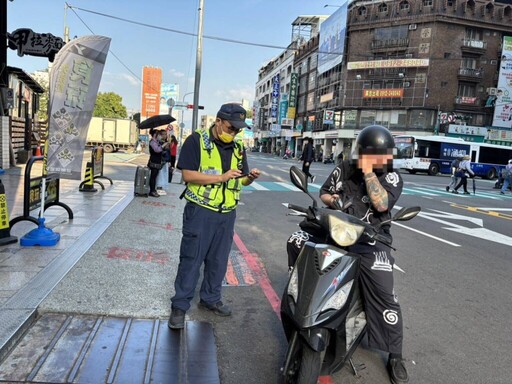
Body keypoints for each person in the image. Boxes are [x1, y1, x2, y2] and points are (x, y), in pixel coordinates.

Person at [286, 125, 409, 384]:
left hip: (371, 239)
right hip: (337, 230)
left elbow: (381, 204)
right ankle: (301, 298)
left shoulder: (392, 177)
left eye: (384, 156)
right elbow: (324, 192)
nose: (383, 160)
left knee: (384, 291)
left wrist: (368, 173)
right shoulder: (343, 168)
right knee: (296, 241)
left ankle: (395, 353)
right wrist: (332, 200)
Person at [168, 103, 261, 330]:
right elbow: (188, 175)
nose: (234, 133)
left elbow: (238, 179)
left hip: (227, 213)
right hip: (200, 211)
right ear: (218, 121)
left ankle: (210, 299)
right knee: (191, 259)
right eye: (231, 128)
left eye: (238, 130)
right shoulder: (196, 141)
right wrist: (221, 177)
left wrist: (250, 179)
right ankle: (180, 306)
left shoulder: (239, 147)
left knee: (218, 261)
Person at [147, 128, 169, 197]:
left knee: (155, 176)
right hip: (154, 162)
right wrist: (163, 145)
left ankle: (153, 190)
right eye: (158, 134)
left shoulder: (156, 141)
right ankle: (152, 191)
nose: (159, 135)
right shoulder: (152, 142)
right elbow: (157, 150)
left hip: (157, 161)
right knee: (153, 177)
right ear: (154, 135)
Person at [156, 129, 170, 195]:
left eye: (165, 134)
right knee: (160, 173)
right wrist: (165, 146)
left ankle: (162, 186)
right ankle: (159, 186)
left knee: (164, 173)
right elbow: (160, 151)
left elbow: (168, 152)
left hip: (165, 160)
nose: (164, 136)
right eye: (163, 134)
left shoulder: (166, 142)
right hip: (161, 160)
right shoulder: (159, 142)